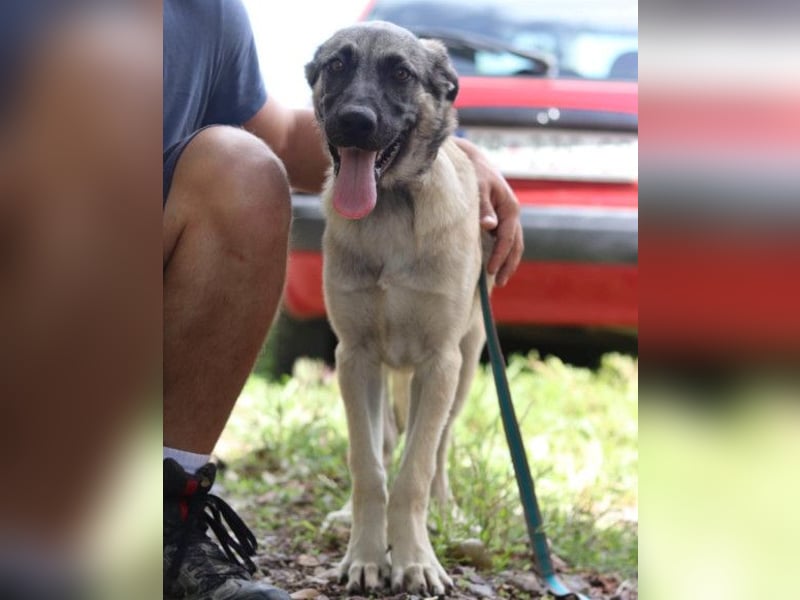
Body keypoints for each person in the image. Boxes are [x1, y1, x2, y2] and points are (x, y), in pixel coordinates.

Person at [162, 1, 523, 599]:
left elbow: (275, 136)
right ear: (318, 81)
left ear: (442, 93)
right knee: (360, 353)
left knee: (249, 168)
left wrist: (470, 156)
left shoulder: (206, 12)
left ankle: (167, 515)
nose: (358, 105)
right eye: (339, 73)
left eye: (398, 76)